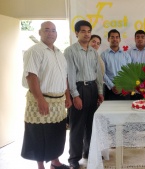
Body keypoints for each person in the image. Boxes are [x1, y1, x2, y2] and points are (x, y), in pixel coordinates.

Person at [21, 21, 71, 169]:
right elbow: (31, 76)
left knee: (56, 133)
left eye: (53, 30)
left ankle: (55, 162)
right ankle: (41, 166)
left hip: (58, 102)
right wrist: (40, 99)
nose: (50, 33)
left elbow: (64, 77)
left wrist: (67, 96)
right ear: (40, 32)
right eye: (47, 30)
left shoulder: (59, 52)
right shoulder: (35, 51)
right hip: (41, 99)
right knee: (39, 134)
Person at [64, 20, 104, 169]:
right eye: (83, 31)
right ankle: (74, 158)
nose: (86, 34)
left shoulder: (93, 51)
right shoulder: (70, 51)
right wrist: (75, 95)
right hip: (79, 89)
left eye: (88, 31)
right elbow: (70, 75)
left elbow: (98, 73)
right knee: (77, 126)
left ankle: (88, 152)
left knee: (91, 124)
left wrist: (100, 92)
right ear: (76, 33)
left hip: (92, 88)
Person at [101, 29, 132, 100]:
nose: (115, 39)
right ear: (108, 39)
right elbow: (102, 72)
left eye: (117, 37)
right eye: (112, 37)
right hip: (109, 89)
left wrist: (122, 85)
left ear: (120, 39)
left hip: (124, 88)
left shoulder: (126, 55)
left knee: (125, 109)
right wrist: (112, 86)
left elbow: (129, 72)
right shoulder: (103, 55)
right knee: (110, 110)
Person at [127, 30, 145, 100]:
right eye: (138, 37)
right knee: (134, 104)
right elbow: (127, 68)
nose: (140, 39)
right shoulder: (129, 52)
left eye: (142, 37)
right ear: (135, 39)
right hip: (133, 84)